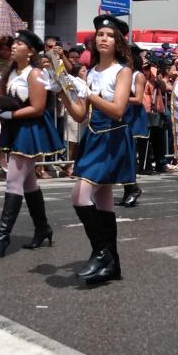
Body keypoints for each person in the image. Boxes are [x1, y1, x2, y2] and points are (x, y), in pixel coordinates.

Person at [58, 15, 135, 286]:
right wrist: (64, 93)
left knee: (80, 195)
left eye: (110, 35)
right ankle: (111, 263)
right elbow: (80, 115)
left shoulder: (122, 71)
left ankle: (100, 252)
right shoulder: (90, 73)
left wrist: (89, 95)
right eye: (100, 34)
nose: (103, 38)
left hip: (112, 138)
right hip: (93, 137)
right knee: (103, 202)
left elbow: (117, 111)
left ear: (118, 42)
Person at [0, 29, 64, 259]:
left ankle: (2, 238)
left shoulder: (35, 74)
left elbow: (37, 107)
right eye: (13, 44)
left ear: (31, 51)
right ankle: (43, 227)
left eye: (19, 44)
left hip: (29, 129)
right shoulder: (10, 72)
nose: (14, 47)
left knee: (13, 180)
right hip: (15, 127)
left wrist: (11, 116)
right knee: (28, 183)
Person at [119, 44, 149, 208]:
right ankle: (129, 189)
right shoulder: (122, 73)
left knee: (129, 154)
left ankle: (132, 188)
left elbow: (138, 99)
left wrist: (118, 98)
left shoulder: (138, 76)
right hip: (122, 114)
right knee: (123, 154)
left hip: (133, 116)